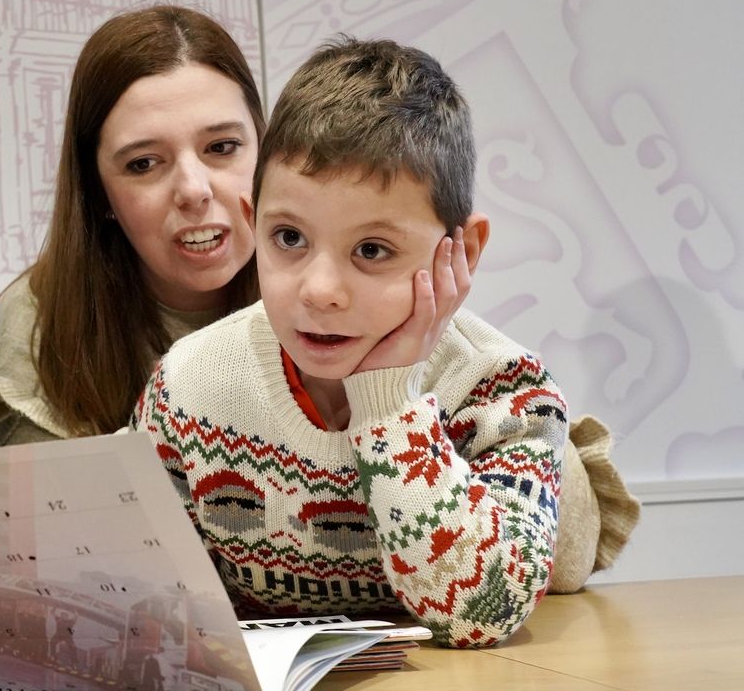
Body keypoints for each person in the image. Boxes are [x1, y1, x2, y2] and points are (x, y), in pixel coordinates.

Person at [137, 35, 581, 646]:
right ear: (251, 219)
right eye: (289, 238)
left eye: (371, 250)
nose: (320, 290)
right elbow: (144, 597)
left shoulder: (503, 391)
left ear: (464, 251)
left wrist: (389, 400)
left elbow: (481, 614)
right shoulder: (187, 386)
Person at [0, 6, 264, 446]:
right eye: (144, 163)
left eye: (222, 147)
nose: (193, 190)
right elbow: (39, 512)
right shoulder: (45, 314)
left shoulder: (332, 288)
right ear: (98, 192)